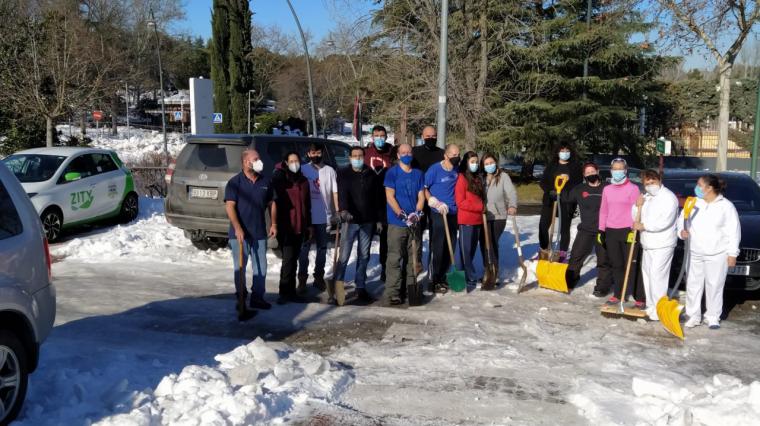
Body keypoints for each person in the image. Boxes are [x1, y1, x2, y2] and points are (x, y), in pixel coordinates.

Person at [678, 174, 741, 329]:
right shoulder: (693, 203)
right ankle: (693, 316)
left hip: (717, 253)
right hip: (694, 251)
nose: (696, 187)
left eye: (699, 185)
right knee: (693, 285)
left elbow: (734, 231)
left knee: (715, 285)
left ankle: (712, 316)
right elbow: (681, 221)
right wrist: (681, 232)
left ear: (709, 188)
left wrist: (732, 254)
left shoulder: (726, 206)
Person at [224, 148, 276, 320]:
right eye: (256, 159)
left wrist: (274, 222)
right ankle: (241, 298)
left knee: (261, 266)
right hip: (239, 234)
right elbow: (230, 206)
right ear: (246, 162)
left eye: (259, 158)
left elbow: (272, 203)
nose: (259, 161)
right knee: (240, 267)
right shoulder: (234, 183)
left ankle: (257, 298)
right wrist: (238, 228)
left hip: (259, 231)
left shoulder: (265, 181)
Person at [335, 146, 381, 303]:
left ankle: (360, 286)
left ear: (364, 157)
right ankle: (338, 287)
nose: (358, 158)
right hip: (350, 221)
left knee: (364, 255)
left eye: (360, 156)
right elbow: (342, 194)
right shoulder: (343, 174)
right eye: (354, 156)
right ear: (350, 158)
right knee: (344, 256)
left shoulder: (370, 174)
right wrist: (343, 210)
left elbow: (376, 198)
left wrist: (378, 218)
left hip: (367, 221)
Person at [631, 170, 679, 320]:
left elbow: (665, 221)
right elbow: (636, 217)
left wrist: (644, 226)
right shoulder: (646, 197)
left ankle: (659, 309)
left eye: (653, 182)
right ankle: (651, 306)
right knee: (648, 276)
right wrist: (636, 205)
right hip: (648, 244)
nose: (650, 185)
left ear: (659, 180)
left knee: (658, 277)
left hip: (663, 244)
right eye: (647, 183)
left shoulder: (668, 198)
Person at [384, 143, 426, 305]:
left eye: (409, 151)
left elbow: (421, 196)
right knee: (395, 259)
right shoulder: (392, 173)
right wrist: (402, 215)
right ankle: (394, 292)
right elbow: (390, 197)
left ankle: (411, 287)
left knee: (414, 258)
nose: (407, 154)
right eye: (403, 152)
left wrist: (417, 213)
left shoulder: (418, 174)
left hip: (414, 223)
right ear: (398, 155)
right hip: (397, 223)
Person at [598, 158, 642, 307]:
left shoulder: (633, 188)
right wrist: (601, 229)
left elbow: (637, 211)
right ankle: (618, 294)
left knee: (632, 264)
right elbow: (604, 210)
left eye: (620, 168)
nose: (617, 171)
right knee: (616, 265)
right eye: (615, 168)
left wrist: (632, 228)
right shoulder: (607, 189)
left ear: (625, 170)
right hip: (611, 231)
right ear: (611, 170)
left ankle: (639, 297)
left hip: (628, 231)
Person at [297, 143, 339, 294]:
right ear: (308, 154)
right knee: (304, 250)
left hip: (324, 216)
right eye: (312, 152)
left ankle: (318, 277)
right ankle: (302, 279)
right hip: (307, 217)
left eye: (318, 152)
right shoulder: (303, 170)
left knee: (322, 249)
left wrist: (337, 211)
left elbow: (335, 193)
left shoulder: (330, 171)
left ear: (322, 153)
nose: (315, 155)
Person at [272, 151, 312, 304]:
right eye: (291, 161)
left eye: (297, 160)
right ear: (286, 163)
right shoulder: (281, 180)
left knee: (293, 259)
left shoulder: (303, 181)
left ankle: (291, 292)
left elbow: (307, 205)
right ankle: (284, 293)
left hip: (300, 226)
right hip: (286, 225)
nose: (295, 163)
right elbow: (274, 203)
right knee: (288, 260)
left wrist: (309, 226)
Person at [565, 162, 612, 296]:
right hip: (585, 230)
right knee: (576, 256)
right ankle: (570, 280)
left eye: (592, 171)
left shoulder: (607, 188)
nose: (591, 174)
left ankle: (602, 286)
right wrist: (555, 193)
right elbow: (566, 198)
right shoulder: (580, 189)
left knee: (603, 260)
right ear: (584, 175)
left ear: (597, 171)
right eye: (587, 172)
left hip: (604, 230)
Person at [538, 143, 583, 261]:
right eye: (562, 150)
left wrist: (567, 186)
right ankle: (544, 250)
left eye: (567, 150)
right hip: (550, 199)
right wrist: (550, 190)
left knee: (564, 229)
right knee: (543, 225)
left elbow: (578, 184)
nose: (564, 153)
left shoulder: (575, 167)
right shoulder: (552, 166)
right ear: (557, 152)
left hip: (566, 201)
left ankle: (561, 255)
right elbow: (543, 182)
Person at [425, 144, 461, 293]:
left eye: (458, 154)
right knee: (438, 247)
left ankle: (444, 277)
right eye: (453, 154)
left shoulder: (456, 170)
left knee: (451, 246)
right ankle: (434, 279)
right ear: (445, 155)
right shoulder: (434, 169)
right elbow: (424, 187)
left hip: (452, 212)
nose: (456, 157)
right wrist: (433, 201)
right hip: (438, 212)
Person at [481, 153, 518, 281]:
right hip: (484, 216)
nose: (489, 166)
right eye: (486, 164)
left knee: (491, 242)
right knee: (485, 244)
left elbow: (511, 192)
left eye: (491, 163)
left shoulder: (503, 176)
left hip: (498, 216)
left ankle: (494, 271)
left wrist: (512, 205)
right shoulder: (481, 178)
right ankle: (487, 270)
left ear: (496, 163)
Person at [364, 125, 393, 281]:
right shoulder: (366, 153)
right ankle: (361, 272)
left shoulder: (392, 152)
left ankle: (384, 269)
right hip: (368, 203)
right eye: (376, 135)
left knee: (385, 240)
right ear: (372, 137)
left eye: (382, 135)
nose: (379, 138)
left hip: (386, 203)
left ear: (386, 136)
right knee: (365, 240)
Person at [454, 151, 485, 289]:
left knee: (470, 251)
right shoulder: (462, 178)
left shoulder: (477, 178)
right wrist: (479, 206)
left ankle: (462, 276)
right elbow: (460, 202)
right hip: (466, 219)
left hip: (478, 220)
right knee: (465, 250)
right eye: (472, 161)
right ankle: (470, 275)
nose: (475, 164)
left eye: (477, 162)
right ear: (466, 162)